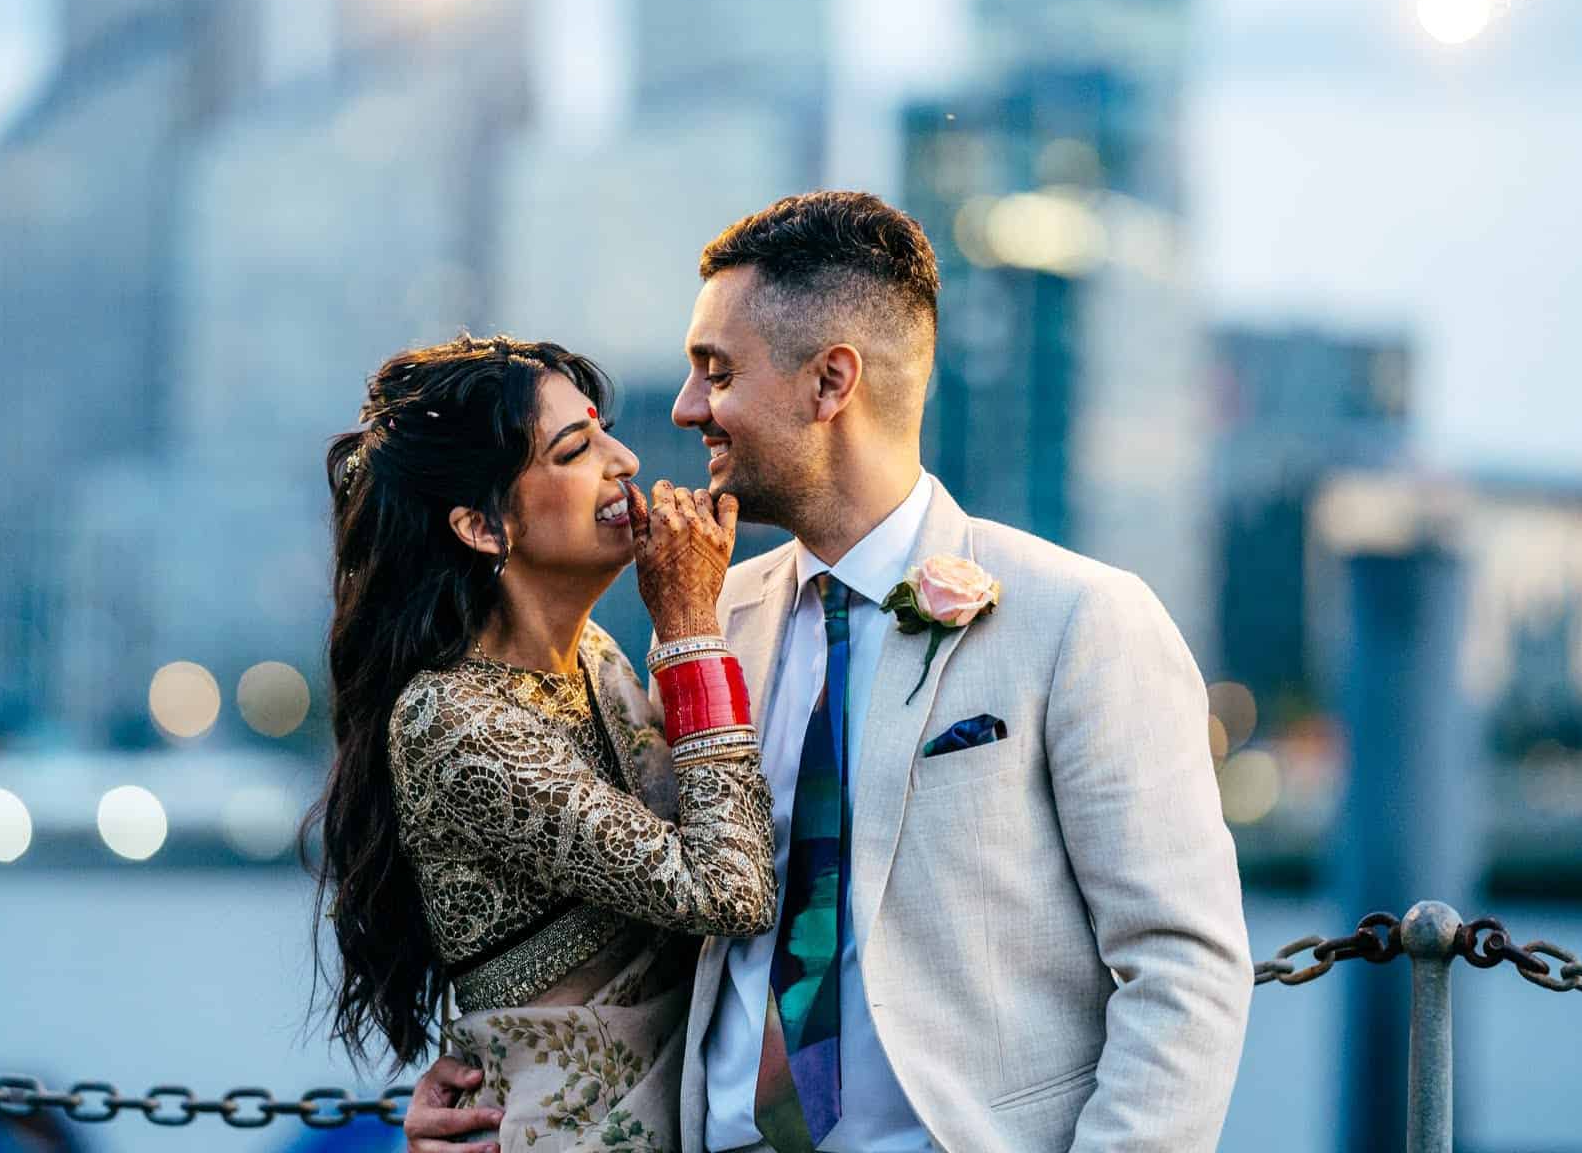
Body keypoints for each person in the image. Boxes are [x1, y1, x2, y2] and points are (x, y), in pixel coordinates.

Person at [404, 193, 1252, 1153]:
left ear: (830, 382)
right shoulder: (706, 625)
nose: (686, 409)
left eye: (718, 372)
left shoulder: (1080, 618)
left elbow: (1182, 966)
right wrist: (499, 1074)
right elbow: (642, 908)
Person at [309, 335, 779, 1153]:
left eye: (603, 434)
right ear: (482, 526)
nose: (624, 463)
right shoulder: (451, 720)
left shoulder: (594, 656)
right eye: (575, 450)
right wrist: (689, 626)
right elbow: (729, 891)